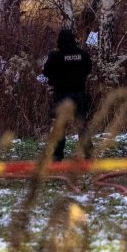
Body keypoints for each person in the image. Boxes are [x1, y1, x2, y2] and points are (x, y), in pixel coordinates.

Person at [42, 28, 93, 161]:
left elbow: (46, 72)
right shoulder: (82, 55)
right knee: (82, 125)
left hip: (62, 95)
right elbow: (89, 69)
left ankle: (57, 157)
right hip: (79, 94)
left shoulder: (55, 56)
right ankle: (89, 153)